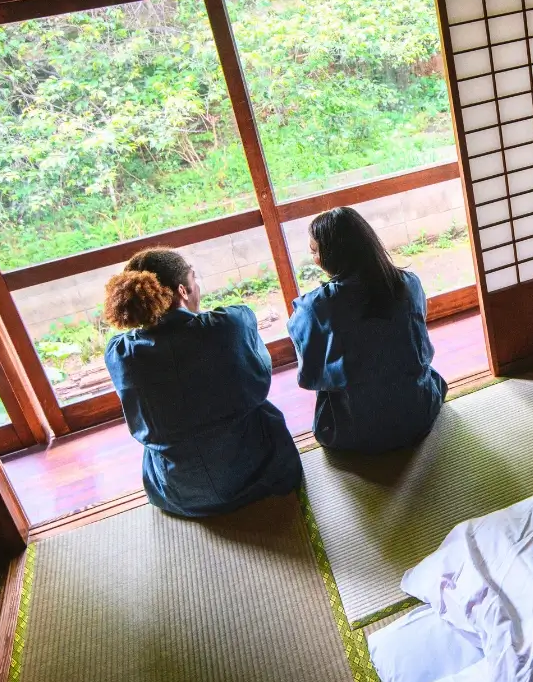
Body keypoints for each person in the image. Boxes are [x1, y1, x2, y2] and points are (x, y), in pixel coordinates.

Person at [103, 248, 301, 517]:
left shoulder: (121, 353)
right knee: (259, 410)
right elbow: (259, 377)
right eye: (194, 281)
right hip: (257, 473)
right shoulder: (229, 325)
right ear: (182, 290)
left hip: (178, 493)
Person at [288, 207, 447, 453]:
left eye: (315, 251)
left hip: (354, 433)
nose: (314, 258)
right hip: (418, 414)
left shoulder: (316, 307)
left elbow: (310, 374)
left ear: (333, 254)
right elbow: (420, 347)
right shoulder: (408, 284)